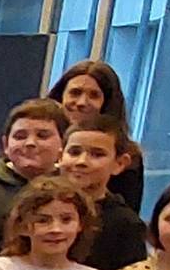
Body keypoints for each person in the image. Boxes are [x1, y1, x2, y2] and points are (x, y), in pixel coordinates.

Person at [49, 60, 144, 208]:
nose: (81, 102)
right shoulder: (39, 143)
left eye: (94, 95)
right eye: (75, 93)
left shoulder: (129, 158)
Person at [0, 99, 67, 232]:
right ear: (5, 145)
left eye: (42, 136)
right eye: (20, 136)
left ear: (62, 143)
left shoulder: (73, 191)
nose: (30, 143)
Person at [63, 113, 148, 270]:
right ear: (60, 155)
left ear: (119, 163)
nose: (82, 162)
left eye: (97, 154)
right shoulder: (37, 207)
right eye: (74, 152)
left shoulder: (126, 225)